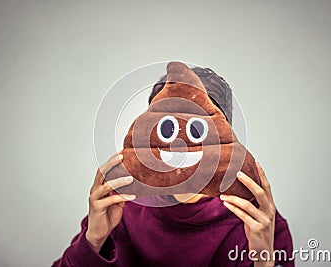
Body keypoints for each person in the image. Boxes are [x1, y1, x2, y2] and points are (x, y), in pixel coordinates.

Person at [53, 67, 294, 267]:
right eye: (167, 130)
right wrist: (93, 240)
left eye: (198, 132)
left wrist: (265, 260)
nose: (180, 146)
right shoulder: (120, 206)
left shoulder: (258, 220)